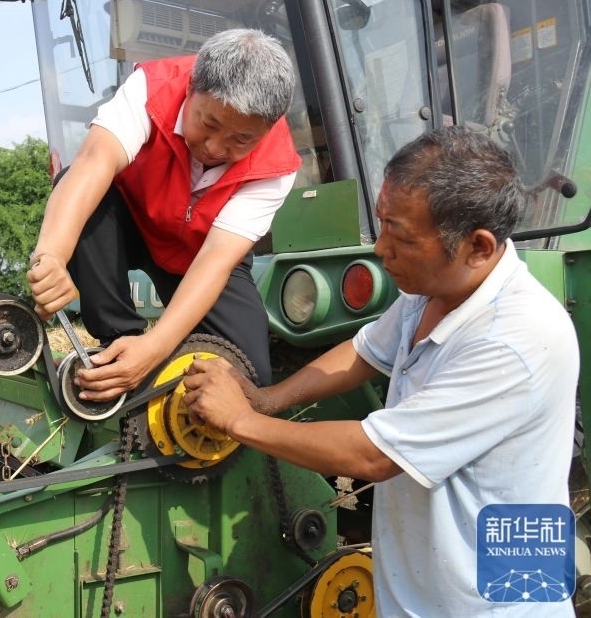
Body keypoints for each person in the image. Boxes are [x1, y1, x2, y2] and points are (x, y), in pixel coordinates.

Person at [182, 126, 579, 616]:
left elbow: (374, 456)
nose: (380, 248)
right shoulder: (435, 291)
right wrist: (267, 399)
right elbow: (363, 352)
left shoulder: (517, 338)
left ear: (477, 247)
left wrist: (241, 421)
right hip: (420, 593)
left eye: (401, 236)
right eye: (382, 224)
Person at [26, 28, 300, 401]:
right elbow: (93, 161)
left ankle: (156, 369)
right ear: (191, 89)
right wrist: (52, 256)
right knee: (83, 189)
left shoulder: (277, 164)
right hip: (131, 222)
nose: (215, 148)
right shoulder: (151, 89)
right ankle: (116, 345)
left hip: (200, 251)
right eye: (208, 124)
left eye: (241, 140)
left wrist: (156, 348)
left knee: (249, 373)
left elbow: (216, 258)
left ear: (267, 129)